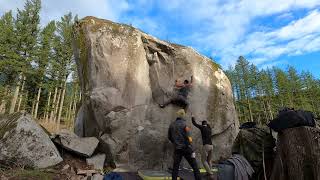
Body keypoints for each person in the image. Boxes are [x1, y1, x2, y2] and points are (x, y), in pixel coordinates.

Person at [168, 109, 201, 180]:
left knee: (175, 168)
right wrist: (192, 149)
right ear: (183, 116)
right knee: (195, 166)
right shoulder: (185, 125)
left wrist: (175, 143)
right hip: (186, 148)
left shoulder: (172, 125)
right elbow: (189, 138)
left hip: (177, 149)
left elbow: (169, 137)